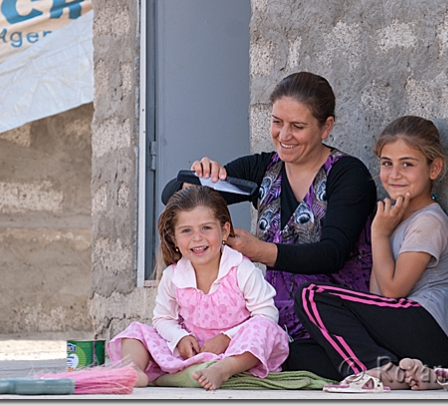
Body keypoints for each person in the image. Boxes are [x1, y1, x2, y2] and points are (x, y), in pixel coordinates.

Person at [161, 72, 377, 347]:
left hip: (333, 322)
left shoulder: (348, 175)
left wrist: (259, 251)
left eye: (297, 126)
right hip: (275, 322)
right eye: (277, 122)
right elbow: (173, 199)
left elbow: (332, 254)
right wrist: (195, 178)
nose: (284, 135)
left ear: (326, 127)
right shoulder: (263, 170)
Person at [291, 115, 448, 390]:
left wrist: (379, 233)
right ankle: (409, 373)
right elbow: (377, 295)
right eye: (387, 164)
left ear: (434, 168)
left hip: (428, 328)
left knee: (311, 295)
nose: (394, 175)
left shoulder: (429, 221)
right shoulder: (394, 216)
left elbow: (393, 291)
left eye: (407, 164)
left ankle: (383, 374)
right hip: (402, 334)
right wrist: (382, 231)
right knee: (296, 354)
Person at [107, 186, 289, 390]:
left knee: (265, 328)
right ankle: (133, 372)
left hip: (237, 350)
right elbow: (163, 318)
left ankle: (222, 370)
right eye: (186, 231)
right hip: (194, 350)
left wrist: (226, 338)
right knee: (135, 332)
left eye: (206, 228)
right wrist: (180, 337)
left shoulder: (240, 269)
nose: (197, 238)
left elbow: (267, 314)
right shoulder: (173, 276)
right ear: (175, 239)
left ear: (225, 230)